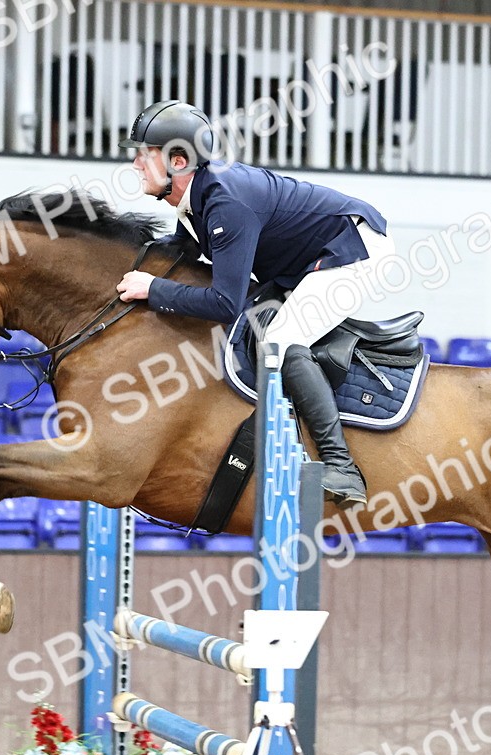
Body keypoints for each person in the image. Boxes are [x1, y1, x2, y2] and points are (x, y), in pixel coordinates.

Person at [116, 100, 400, 509]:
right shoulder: (197, 196)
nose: (135, 164)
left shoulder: (225, 202)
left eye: (145, 154)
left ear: (178, 161)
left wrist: (154, 289)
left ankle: (342, 467)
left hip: (354, 249)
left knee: (280, 341)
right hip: (306, 258)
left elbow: (225, 302)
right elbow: (183, 248)